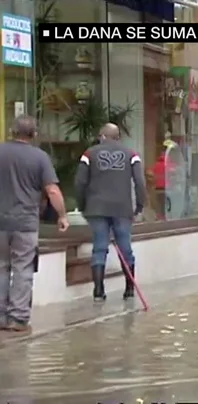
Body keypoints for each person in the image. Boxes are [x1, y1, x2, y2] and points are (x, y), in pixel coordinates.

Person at [0, 116, 69, 332]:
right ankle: (18, 318)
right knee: (22, 268)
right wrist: (63, 215)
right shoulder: (40, 157)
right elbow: (52, 190)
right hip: (25, 223)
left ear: (12, 131)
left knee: (1, 267)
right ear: (34, 134)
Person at [74, 123, 146, 302]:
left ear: (101, 136)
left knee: (99, 247)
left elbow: (79, 183)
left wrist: (82, 206)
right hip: (122, 209)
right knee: (125, 248)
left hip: (96, 208)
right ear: (118, 137)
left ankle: (98, 291)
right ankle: (129, 290)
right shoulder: (131, 155)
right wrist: (139, 205)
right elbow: (140, 182)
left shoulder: (89, 154)